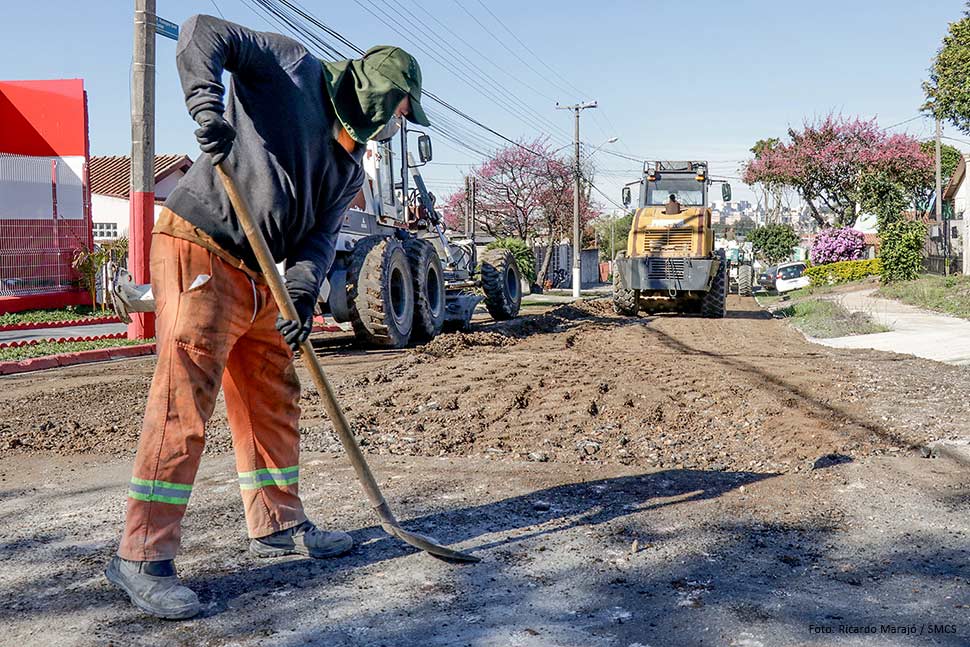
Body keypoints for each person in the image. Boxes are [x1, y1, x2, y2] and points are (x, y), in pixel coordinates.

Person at [104, 14, 430, 620]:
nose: (392, 126)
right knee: (186, 397)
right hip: (201, 241)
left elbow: (317, 243)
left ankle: (278, 522)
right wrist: (207, 109)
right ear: (376, 91)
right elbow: (205, 32)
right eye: (396, 111)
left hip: (262, 273)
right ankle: (140, 556)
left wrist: (302, 298)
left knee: (273, 393)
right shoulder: (293, 68)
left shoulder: (347, 166)